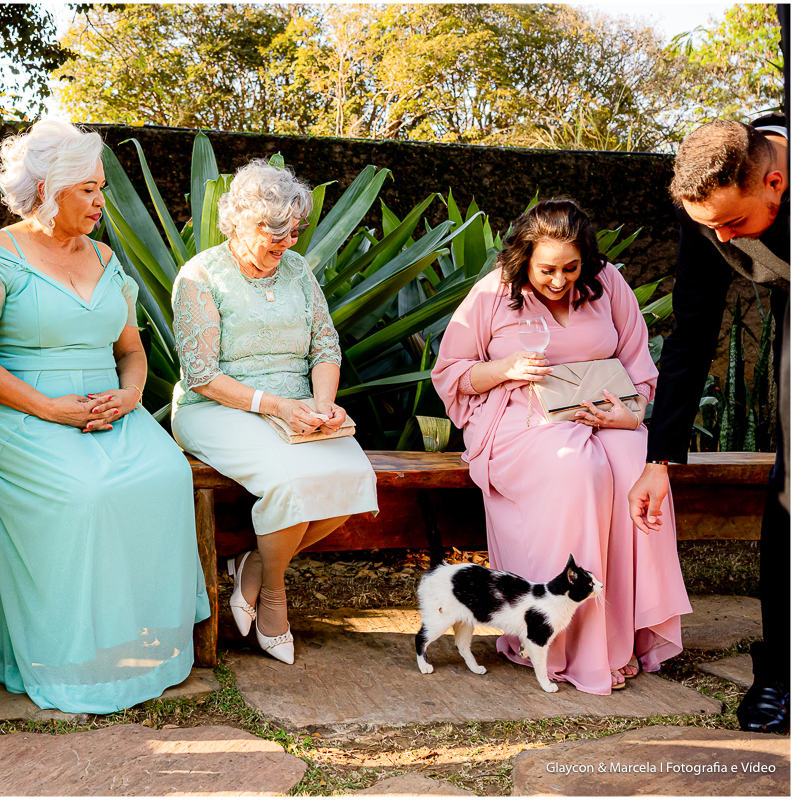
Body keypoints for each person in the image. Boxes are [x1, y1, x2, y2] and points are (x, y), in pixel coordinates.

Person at [0, 118, 210, 713]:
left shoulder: (106, 257)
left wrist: (132, 395)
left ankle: (134, 642)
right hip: (17, 409)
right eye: (87, 188)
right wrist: (49, 409)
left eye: (101, 188)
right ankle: (66, 656)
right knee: (86, 493)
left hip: (108, 405)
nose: (99, 200)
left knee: (166, 476)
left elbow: (132, 352)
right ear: (47, 189)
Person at [432, 199, 690, 695]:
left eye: (570, 268)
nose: (558, 280)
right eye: (547, 268)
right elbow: (451, 373)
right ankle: (563, 644)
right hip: (519, 422)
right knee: (576, 470)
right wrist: (506, 369)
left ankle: (619, 641)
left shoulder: (608, 282)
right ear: (523, 258)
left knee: (637, 461)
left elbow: (640, 369)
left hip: (603, 416)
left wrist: (629, 415)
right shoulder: (493, 294)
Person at [170, 160, 379, 665]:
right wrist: (277, 407)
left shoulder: (298, 270)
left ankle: (255, 568)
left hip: (298, 404)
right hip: (218, 406)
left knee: (350, 477)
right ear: (238, 221)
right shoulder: (200, 275)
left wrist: (324, 405)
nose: (285, 243)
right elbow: (200, 372)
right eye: (273, 231)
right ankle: (275, 596)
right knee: (287, 484)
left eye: (293, 231)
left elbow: (325, 345)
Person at [628, 115, 789, 733]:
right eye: (709, 226)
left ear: (776, 183)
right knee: (791, 488)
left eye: (733, 225)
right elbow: (692, 333)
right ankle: (780, 670)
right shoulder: (710, 208)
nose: (722, 238)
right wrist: (658, 459)